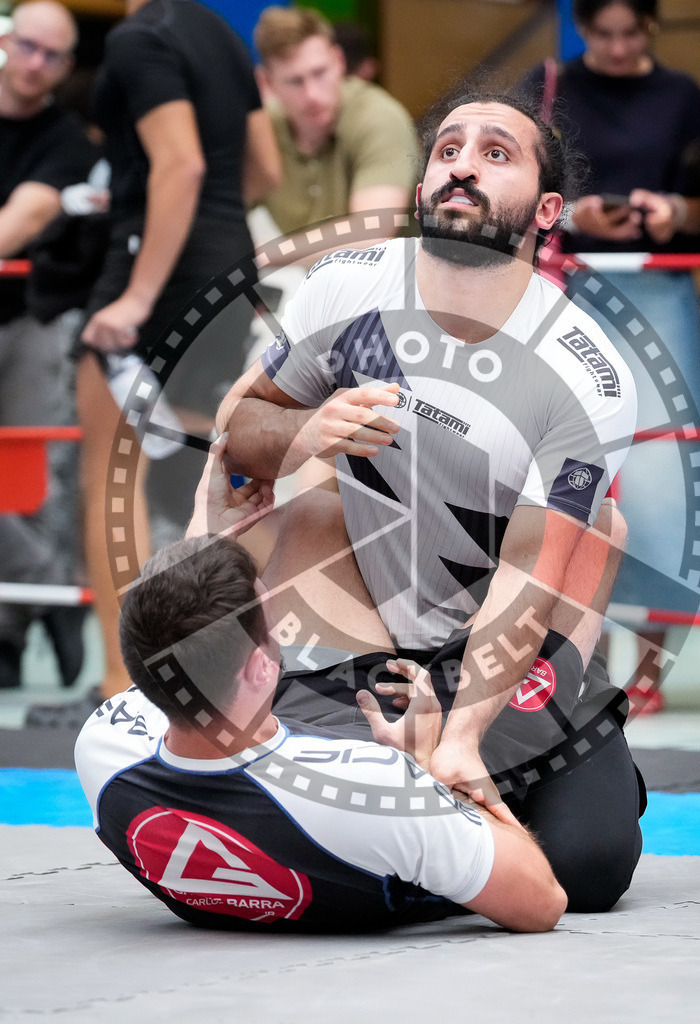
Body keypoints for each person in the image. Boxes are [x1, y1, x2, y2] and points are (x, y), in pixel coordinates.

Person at [215, 90, 647, 911]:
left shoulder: (584, 369)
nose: (462, 166)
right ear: (421, 189)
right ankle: (433, 814)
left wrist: (458, 741)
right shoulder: (342, 289)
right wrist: (305, 433)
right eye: (448, 149)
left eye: (496, 153)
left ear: (546, 209)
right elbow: (242, 427)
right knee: (312, 511)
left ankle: (485, 790)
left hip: (511, 638)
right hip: (369, 624)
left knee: (589, 866)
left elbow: (539, 564)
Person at [74, 437, 568, 933]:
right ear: (263, 669)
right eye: (273, 624)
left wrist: (205, 535)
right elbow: (542, 901)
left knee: (314, 515)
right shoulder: (380, 790)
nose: (282, 626)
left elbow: (169, 641)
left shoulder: (105, 746)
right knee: (589, 543)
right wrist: (428, 768)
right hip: (404, 795)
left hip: (322, 779)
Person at [51, 0, 281, 720]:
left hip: (156, 277)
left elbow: (178, 167)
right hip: (226, 267)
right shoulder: (218, 33)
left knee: (110, 477)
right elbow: (264, 170)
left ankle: (122, 682)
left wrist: (139, 293)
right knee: (220, 485)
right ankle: (236, 675)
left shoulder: (136, 38)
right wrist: (210, 236)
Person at [517, 0, 700, 714]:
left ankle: (649, 667)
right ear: (580, 27)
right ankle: (585, 659)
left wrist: (673, 213)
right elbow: (520, 182)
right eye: (600, 34)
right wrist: (577, 214)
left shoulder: (679, 97)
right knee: (580, 468)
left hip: (661, 293)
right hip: (570, 289)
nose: (614, 48)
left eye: (629, 33)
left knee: (667, 476)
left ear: (651, 27)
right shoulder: (546, 83)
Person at [0, 1, 98, 690]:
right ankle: (47, 587)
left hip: (27, 319)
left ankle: (8, 637)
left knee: (30, 479)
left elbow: (21, 220)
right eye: (28, 47)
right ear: (6, 40)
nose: (36, 64)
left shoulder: (67, 139)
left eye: (52, 56)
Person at [253, 6, 418, 240]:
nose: (312, 94)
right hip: (310, 275)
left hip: (394, 274)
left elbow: (370, 235)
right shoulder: (261, 128)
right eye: (294, 81)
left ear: (339, 60)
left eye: (320, 73)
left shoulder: (379, 117)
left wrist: (265, 257)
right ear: (267, 83)